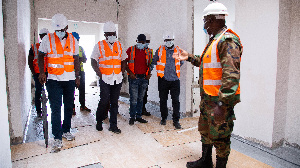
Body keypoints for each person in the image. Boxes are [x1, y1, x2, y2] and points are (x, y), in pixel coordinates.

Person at [172, 2, 243, 168]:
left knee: (221, 137)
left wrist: (222, 105)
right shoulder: (215, 40)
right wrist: (188, 56)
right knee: (206, 131)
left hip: (218, 101)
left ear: (213, 20)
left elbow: (231, 76)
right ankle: (205, 161)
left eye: (205, 21)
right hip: (208, 98)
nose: (204, 26)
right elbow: (205, 62)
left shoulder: (228, 41)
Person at [38, 13, 80, 151]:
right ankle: (57, 137)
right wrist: (42, 72)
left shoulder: (73, 40)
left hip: (69, 79)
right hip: (53, 80)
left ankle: (66, 130)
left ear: (66, 27)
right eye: (57, 30)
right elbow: (40, 55)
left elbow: (76, 59)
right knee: (55, 108)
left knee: (68, 107)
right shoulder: (47, 39)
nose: (59, 33)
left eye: (62, 30)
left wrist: (77, 76)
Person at [91, 21, 126, 134]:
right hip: (105, 78)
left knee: (115, 102)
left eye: (113, 33)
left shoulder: (119, 45)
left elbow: (124, 59)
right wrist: (99, 74)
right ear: (105, 34)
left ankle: (113, 125)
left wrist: (122, 72)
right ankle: (99, 121)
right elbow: (93, 60)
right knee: (104, 100)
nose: (112, 35)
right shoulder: (99, 45)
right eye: (109, 34)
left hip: (117, 78)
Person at [152, 32, 183, 129]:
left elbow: (181, 62)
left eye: (170, 40)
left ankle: (176, 120)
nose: (168, 42)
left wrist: (173, 69)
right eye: (166, 40)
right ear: (164, 41)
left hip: (175, 80)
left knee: (176, 101)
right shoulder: (160, 50)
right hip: (163, 79)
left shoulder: (178, 50)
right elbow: (154, 60)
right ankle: (163, 118)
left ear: (173, 40)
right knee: (163, 100)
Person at [125, 34, 152, 125]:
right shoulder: (131, 50)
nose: (141, 44)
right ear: (136, 41)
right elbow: (124, 62)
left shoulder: (148, 51)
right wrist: (130, 73)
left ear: (145, 42)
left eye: (143, 42)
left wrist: (149, 74)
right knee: (133, 99)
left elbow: (150, 64)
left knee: (141, 99)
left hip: (144, 78)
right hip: (134, 77)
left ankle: (139, 116)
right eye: (139, 42)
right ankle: (132, 117)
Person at [28, 28, 49, 119]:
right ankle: (39, 112)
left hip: (49, 73)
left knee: (51, 91)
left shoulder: (51, 47)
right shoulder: (34, 47)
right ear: (40, 37)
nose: (44, 38)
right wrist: (34, 73)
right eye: (43, 36)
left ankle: (49, 109)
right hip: (38, 74)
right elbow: (30, 61)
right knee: (38, 92)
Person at [71, 32, 91, 115]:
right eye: (76, 40)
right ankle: (72, 107)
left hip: (81, 71)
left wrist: (79, 58)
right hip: (71, 72)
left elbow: (85, 59)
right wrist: (77, 59)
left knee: (82, 89)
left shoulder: (80, 48)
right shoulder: (68, 49)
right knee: (71, 91)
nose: (77, 41)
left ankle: (83, 105)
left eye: (78, 40)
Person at [141, 33, 152, 116]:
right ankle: (136, 111)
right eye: (146, 41)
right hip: (137, 76)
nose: (147, 43)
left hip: (146, 76)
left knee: (144, 94)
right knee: (136, 95)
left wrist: (149, 73)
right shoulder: (136, 50)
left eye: (148, 41)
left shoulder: (150, 51)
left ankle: (143, 109)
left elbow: (151, 64)